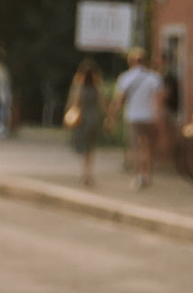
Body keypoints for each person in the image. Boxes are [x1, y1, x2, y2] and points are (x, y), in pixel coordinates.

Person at [112, 48, 162, 188]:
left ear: (130, 61)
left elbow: (119, 99)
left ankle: (140, 175)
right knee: (147, 146)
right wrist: (157, 116)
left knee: (136, 147)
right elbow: (156, 100)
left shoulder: (125, 77)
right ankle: (147, 174)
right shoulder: (153, 77)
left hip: (133, 116)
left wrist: (112, 116)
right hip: (149, 117)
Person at [64, 56, 108, 185]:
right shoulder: (97, 86)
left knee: (82, 146)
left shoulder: (79, 86)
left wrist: (68, 116)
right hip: (93, 118)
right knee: (90, 147)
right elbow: (103, 103)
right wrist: (108, 118)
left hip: (82, 119)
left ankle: (85, 173)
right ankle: (88, 173)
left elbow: (74, 103)